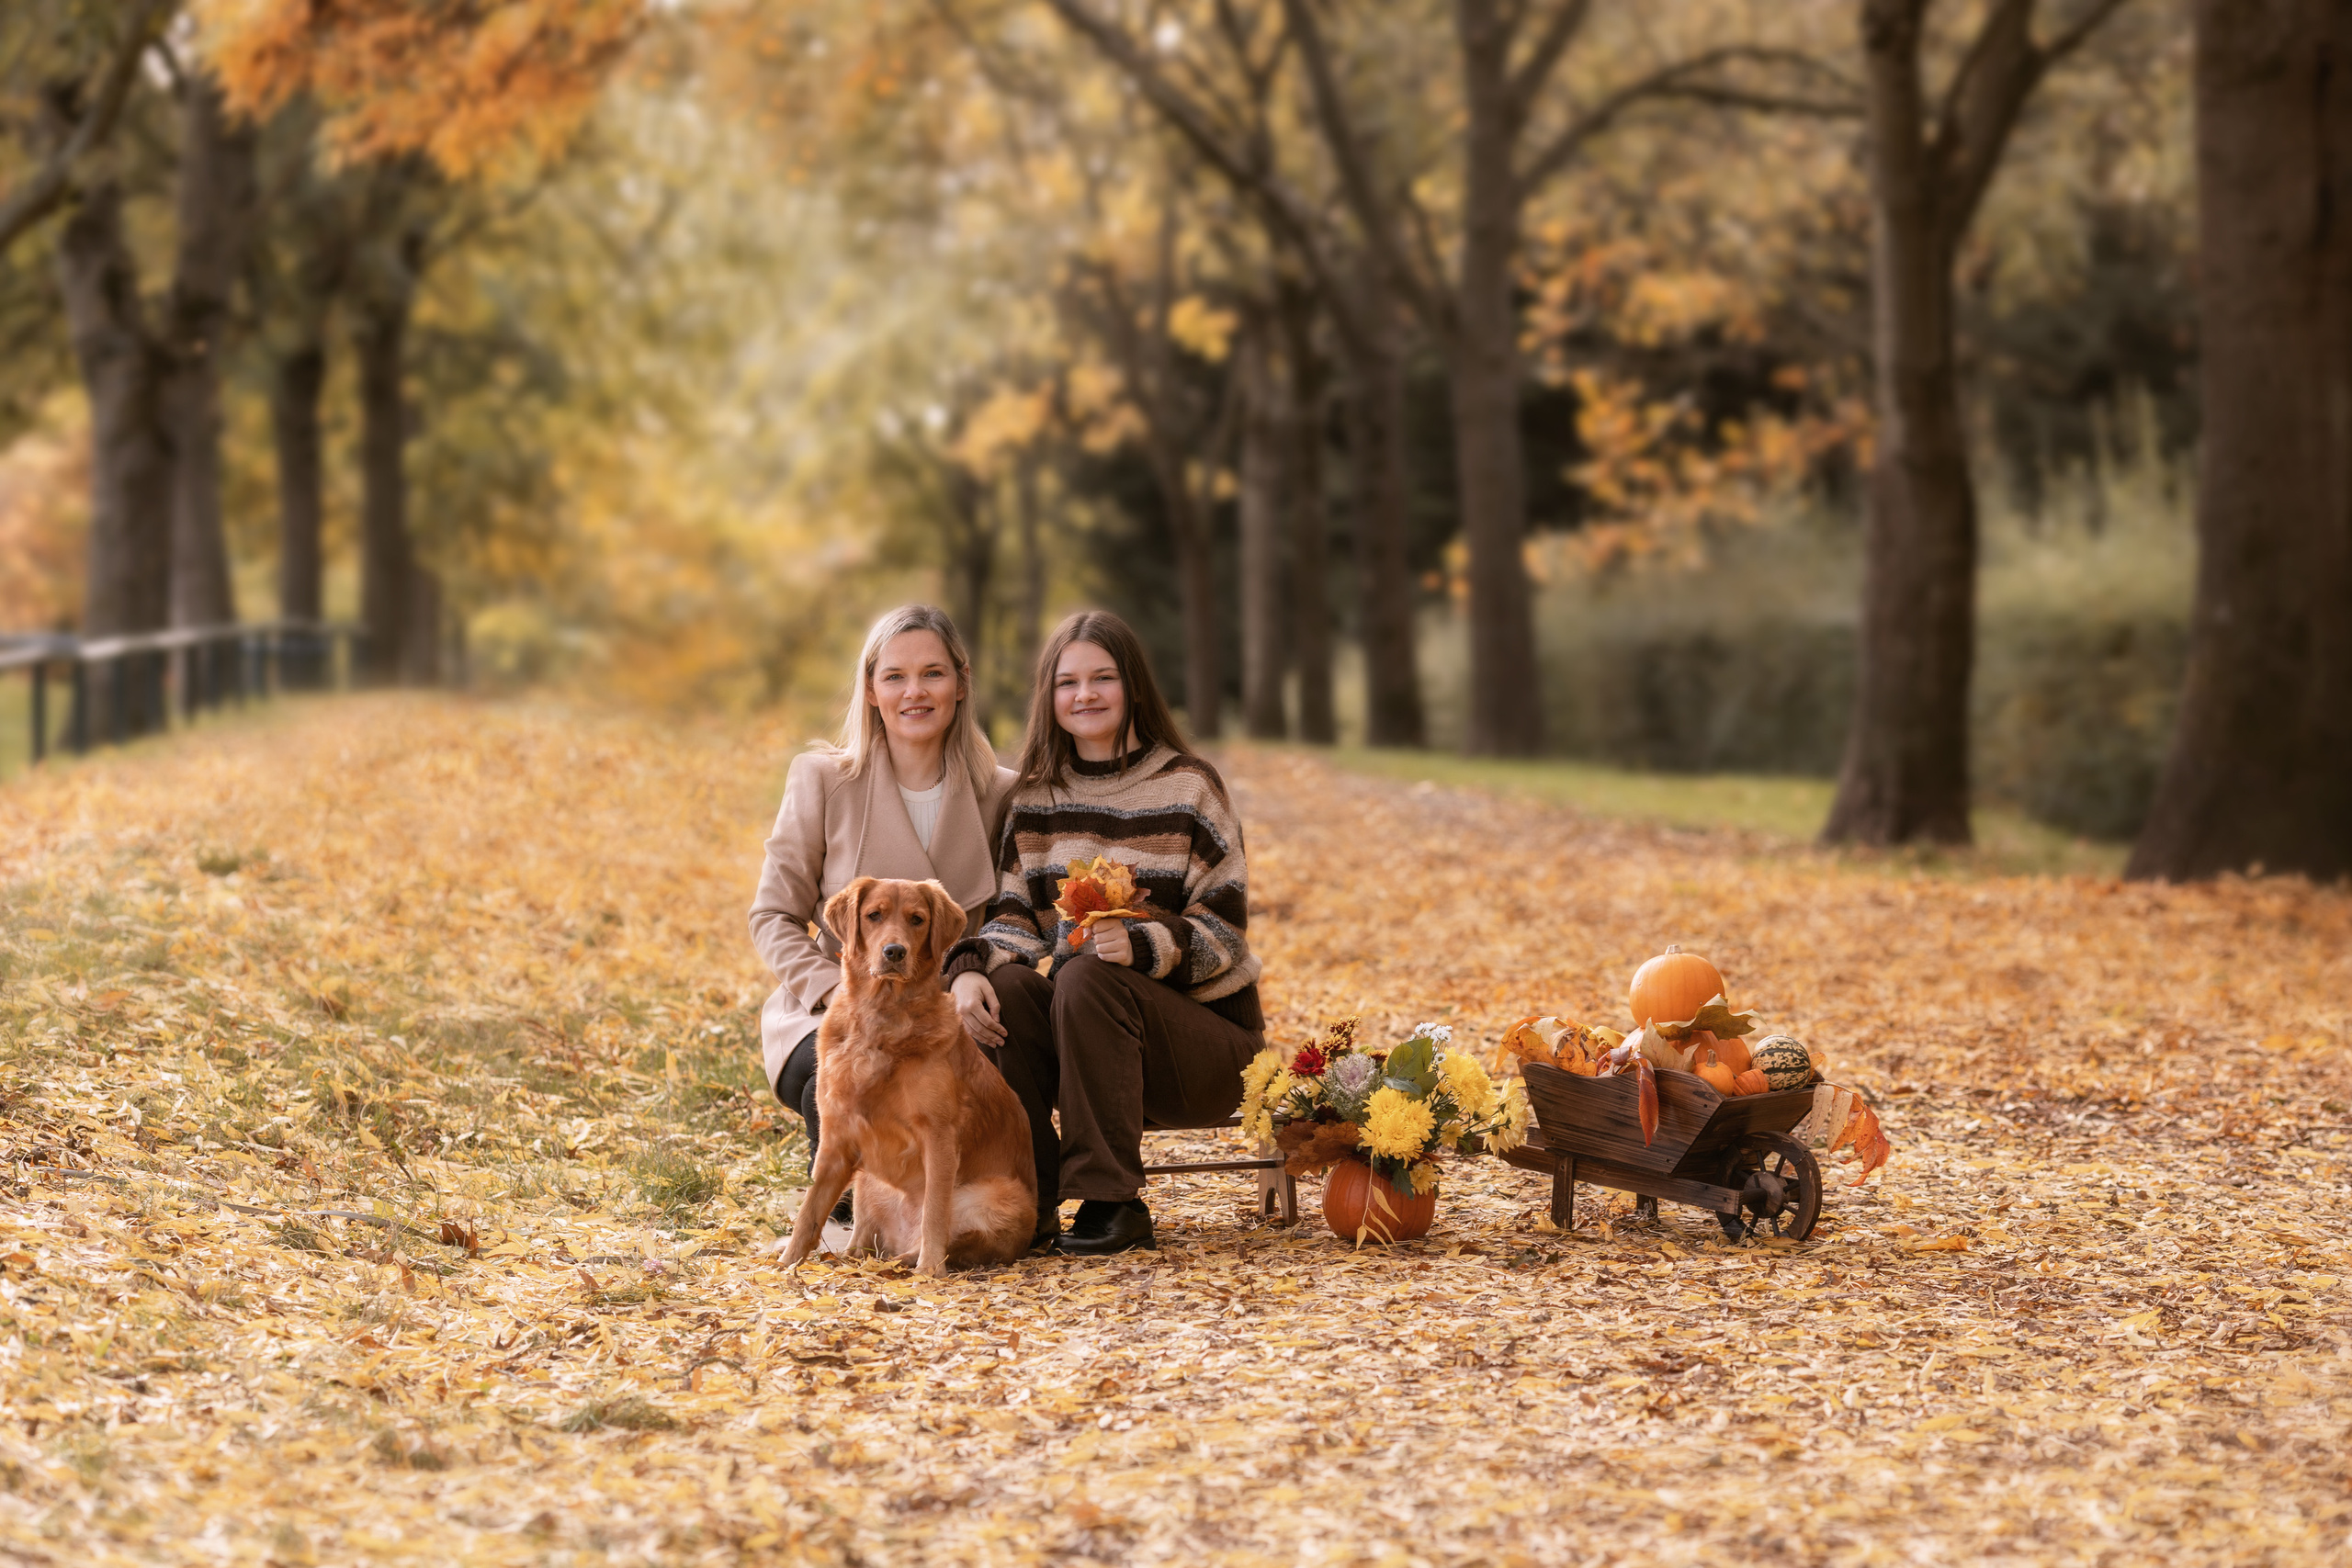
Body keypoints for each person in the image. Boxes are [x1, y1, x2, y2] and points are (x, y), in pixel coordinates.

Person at [945, 610, 1263, 1256]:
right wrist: (971, 966)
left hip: (1204, 1049)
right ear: (1050, 697)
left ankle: (1112, 1201)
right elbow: (1015, 919)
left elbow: (1226, 931)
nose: (1084, 694)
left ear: (1133, 686)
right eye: (1068, 682)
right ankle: (1026, 1196)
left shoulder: (1191, 787)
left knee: (1089, 972)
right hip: (1092, 1051)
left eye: (1102, 678)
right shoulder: (1036, 801)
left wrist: (1146, 945)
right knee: (1005, 985)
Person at [749, 605, 1015, 1225]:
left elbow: (1016, 914)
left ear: (962, 681)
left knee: (962, 1091)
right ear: (871, 689)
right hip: (831, 1007)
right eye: (894, 676)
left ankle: (985, 1212)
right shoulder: (821, 778)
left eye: (933, 673)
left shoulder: (1003, 792)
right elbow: (771, 915)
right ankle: (847, 1216)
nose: (914, 691)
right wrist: (836, 995)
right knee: (844, 1070)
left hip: (948, 1012)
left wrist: (978, 970)